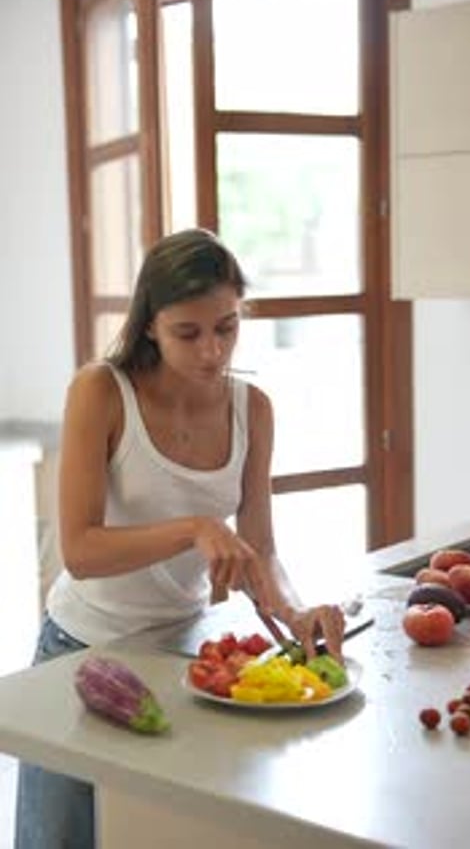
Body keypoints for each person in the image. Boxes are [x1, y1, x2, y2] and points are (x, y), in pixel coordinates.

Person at [15, 228, 345, 849]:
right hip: (80, 651)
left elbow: (261, 550)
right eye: (187, 333)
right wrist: (195, 529)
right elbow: (82, 552)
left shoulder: (254, 409)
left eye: (226, 327)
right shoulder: (101, 391)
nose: (212, 352)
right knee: (54, 842)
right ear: (149, 326)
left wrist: (294, 611)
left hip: (178, 653)